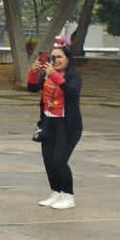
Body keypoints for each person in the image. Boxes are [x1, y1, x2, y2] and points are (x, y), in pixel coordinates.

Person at [28, 41, 83, 210]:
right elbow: (31, 88)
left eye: (59, 57)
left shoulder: (73, 76)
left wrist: (54, 75)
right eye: (53, 57)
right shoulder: (47, 74)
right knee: (49, 160)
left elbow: (72, 92)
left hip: (67, 125)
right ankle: (56, 192)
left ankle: (68, 196)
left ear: (67, 59)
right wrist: (34, 72)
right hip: (48, 122)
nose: (56, 60)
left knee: (59, 160)